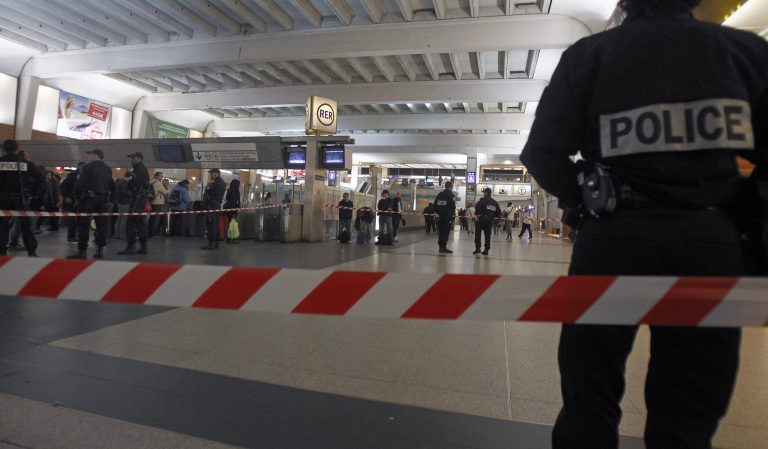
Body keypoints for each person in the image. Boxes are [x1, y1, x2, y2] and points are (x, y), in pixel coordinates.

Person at [518, 1, 768, 448]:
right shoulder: (745, 52)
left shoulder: (590, 55)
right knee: (689, 408)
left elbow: (541, 153)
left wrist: (585, 197)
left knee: (589, 395)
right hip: (710, 246)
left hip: (613, 241)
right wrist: (744, 216)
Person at [0, 140, 44, 257]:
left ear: (4, 150)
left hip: (2, 199)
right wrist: (31, 189)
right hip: (20, 198)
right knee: (26, 226)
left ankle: (2, 251)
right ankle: (31, 251)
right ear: (17, 149)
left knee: (2, 226)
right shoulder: (24, 163)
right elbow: (41, 177)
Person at [67, 149, 113, 259]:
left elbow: (80, 183)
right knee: (101, 226)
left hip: (87, 199)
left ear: (95, 156)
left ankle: (82, 251)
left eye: (90, 155)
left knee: (83, 225)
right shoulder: (108, 169)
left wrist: (77, 196)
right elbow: (111, 185)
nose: (89, 157)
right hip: (102, 199)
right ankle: (100, 250)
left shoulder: (87, 167)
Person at [118, 152, 151, 255]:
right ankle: (143, 246)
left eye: (133, 158)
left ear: (140, 158)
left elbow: (132, 184)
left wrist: (129, 187)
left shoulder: (139, 170)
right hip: (140, 199)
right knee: (141, 223)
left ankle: (131, 246)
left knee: (131, 223)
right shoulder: (140, 169)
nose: (131, 160)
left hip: (137, 199)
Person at [59, 162, 85, 243]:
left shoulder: (84, 175)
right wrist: (67, 196)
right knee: (73, 219)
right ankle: (71, 236)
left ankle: (75, 236)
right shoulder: (72, 175)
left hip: (79, 200)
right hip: (72, 200)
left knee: (78, 219)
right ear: (79, 167)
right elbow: (63, 186)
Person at [201, 168, 226, 250]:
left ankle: (211, 243)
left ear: (217, 173)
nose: (211, 175)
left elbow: (207, 192)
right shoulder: (222, 182)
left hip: (212, 205)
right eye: (211, 173)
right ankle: (216, 243)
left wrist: (204, 204)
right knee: (216, 224)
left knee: (211, 225)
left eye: (213, 173)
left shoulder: (214, 183)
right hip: (217, 205)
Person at [472, 187, 500, 256]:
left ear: (486, 193)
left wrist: (477, 214)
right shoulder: (494, 202)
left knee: (478, 235)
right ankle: (486, 250)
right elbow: (498, 212)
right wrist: (492, 217)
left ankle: (478, 249)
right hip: (489, 221)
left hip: (481, 220)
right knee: (487, 236)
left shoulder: (481, 200)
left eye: (484, 192)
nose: (483, 193)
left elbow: (477, 209)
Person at [434, 181, 456, 253]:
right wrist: (452, 216)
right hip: (447, 217)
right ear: (451, 187)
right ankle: (444, 247)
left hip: (440, 217)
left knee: (441, 232)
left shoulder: (440, 194)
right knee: (445, 232)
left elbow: (435, 204)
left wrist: (439, 213)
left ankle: (440, 247)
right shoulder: (451, 195)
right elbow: (453, 207)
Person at [148, 171, 168, 238]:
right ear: (156, 176)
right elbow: (165, 192)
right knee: (156, 219)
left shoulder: (152, 182)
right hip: (158, 203)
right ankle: (154, 233)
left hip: (152, 202)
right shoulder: (158, 183)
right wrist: (165, 186)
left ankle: (149, 232)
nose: (162, 177)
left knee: (152, 218)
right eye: (160, 176)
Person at [113, 171, 132, 240]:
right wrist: (131, 194)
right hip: (125, 202)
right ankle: (122, 235)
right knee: (124, 219)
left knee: (119, 219)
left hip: (119, 202)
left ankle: (117, 234)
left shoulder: (120, 181)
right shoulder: (124, 182)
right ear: (130, 176)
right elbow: (124, 192)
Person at [223, 179, 240, 244]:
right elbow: (238, 200)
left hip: (229, 209)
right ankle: (234, 237)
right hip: (234, 209)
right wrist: (237, 208)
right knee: (235, 224)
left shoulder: (229, 190)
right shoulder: (237, 191)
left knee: (230, 224)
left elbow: (227, 198)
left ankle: (229, 238)